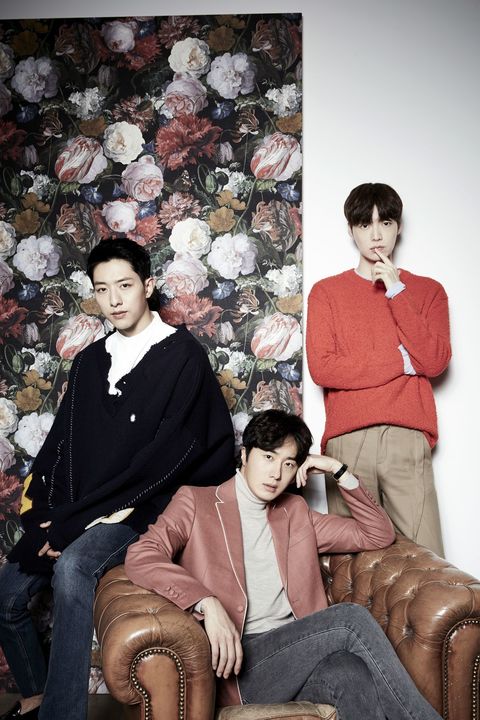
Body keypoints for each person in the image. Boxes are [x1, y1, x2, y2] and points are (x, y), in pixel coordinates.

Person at [0, 238, 235, 720]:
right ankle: (39, 696)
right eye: (102, 289)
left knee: (73, 567)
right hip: (80, 507)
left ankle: (61, 716)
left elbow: (163, 463)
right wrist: (46, 515)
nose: (114, 299)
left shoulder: (182, 357)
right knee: (6, 597)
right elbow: (61, 445)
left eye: (125, 286)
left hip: (141, 509)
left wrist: (78, 526)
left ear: (148, 286)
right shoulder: (89, 361)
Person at [125, 409, 442, 720]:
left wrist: (337, 469)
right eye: (268, 457)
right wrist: (206, 602)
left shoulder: (295, 512)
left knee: (349, 671)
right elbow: (143, 554)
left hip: (298, 654)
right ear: (245, 455)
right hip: (240, 665)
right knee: (350, 619)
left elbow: (377, 533)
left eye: (288, 463)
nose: (276, 473)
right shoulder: (196, 502)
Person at [306, 183, 451, 557]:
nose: (376, 235)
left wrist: (397, 292)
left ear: (398, 227)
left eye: (385, 223)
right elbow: (323, 368)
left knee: (427, 560)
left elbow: (434, 361)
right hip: (347, 439)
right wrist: (401, 362)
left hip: (406, 435)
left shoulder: (428, 291)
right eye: (365, 224)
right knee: (353, 564)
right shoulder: (326, 293)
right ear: (351, 229)